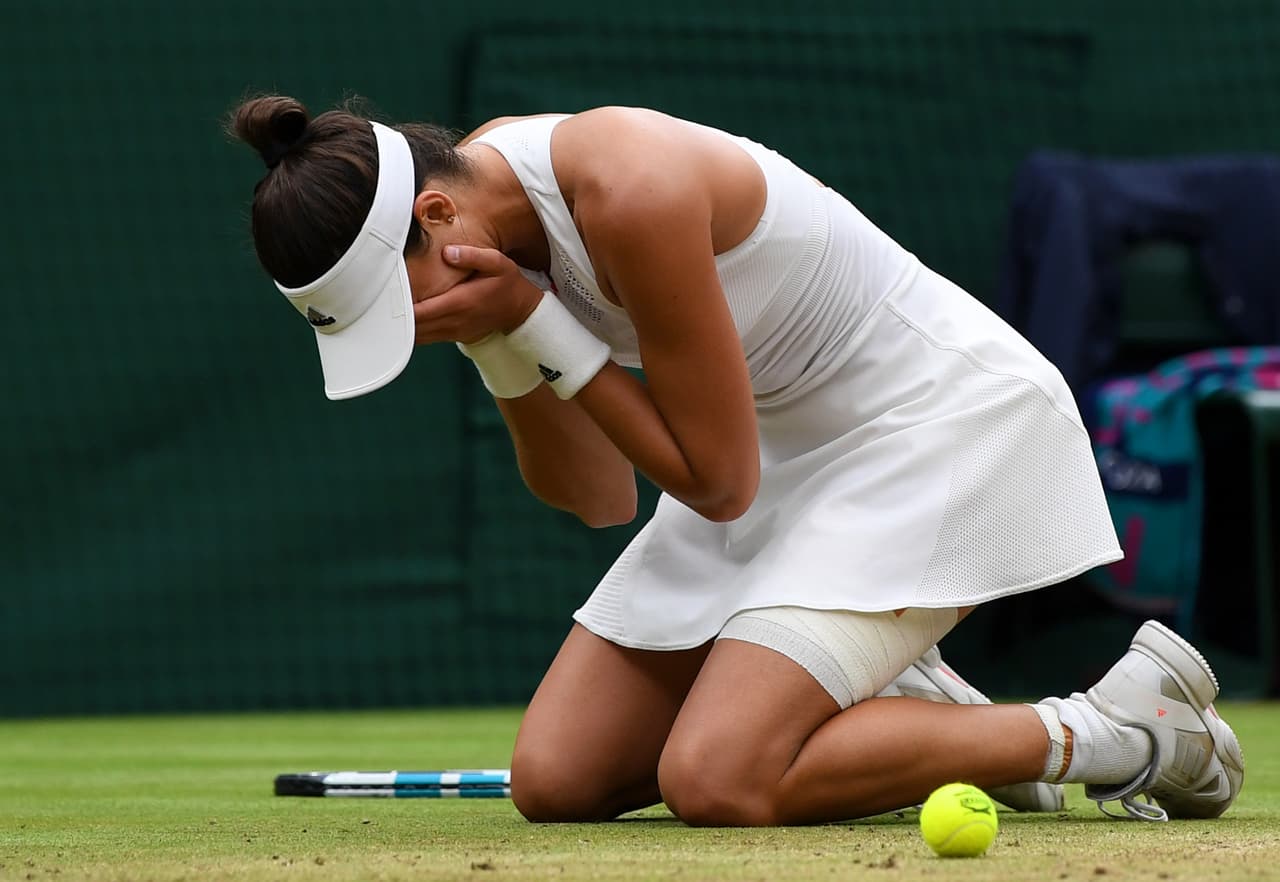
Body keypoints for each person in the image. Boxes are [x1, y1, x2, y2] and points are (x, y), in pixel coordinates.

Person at [231, 96, 1244, 825]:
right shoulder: (481, 231)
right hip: (770, 449)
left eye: (391, 302)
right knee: (557, 780)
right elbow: (593, 496)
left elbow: (717, 484)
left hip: (930, 425)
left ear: (435, 218)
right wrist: (506, 343)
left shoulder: (627, 185)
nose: (408, 331)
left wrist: (540, 322)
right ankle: (901, 716)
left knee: (719, 782)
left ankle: (1122, 728)